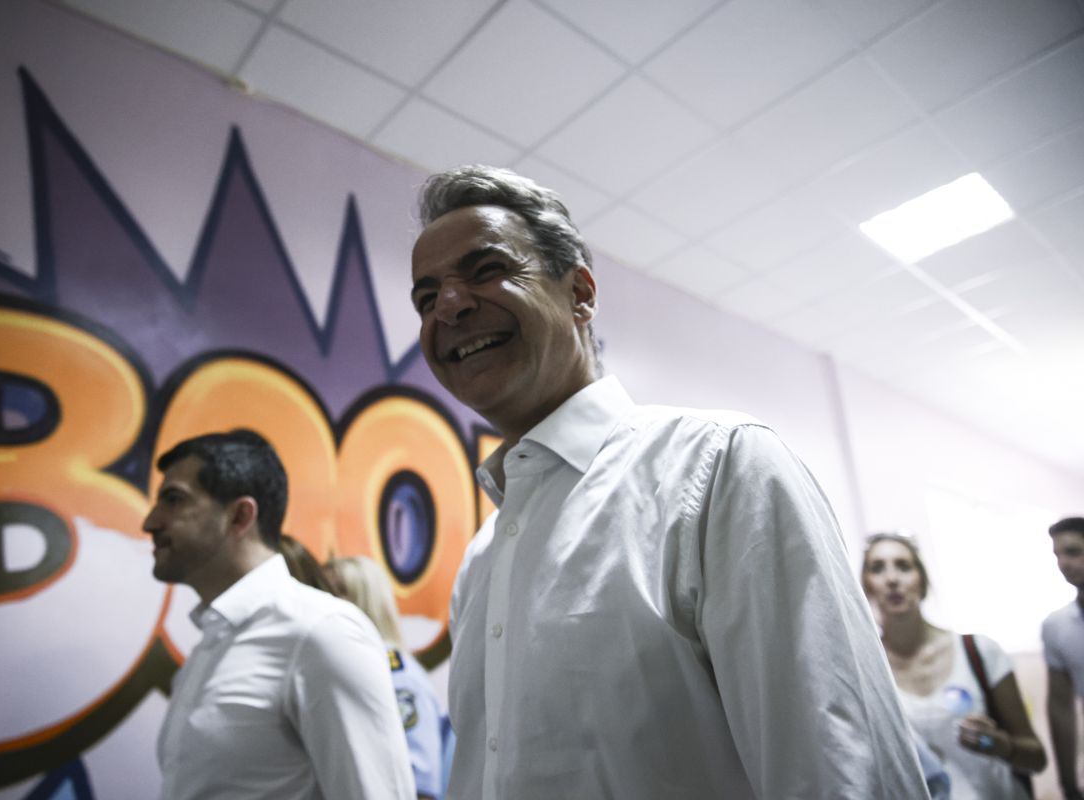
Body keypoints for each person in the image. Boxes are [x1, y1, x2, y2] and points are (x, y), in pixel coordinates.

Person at [409, 164, 929, 799]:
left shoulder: (719, 469)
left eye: (487, 269)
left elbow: (843, 771)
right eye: (426, 298)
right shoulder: (482, 562)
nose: (450, 306)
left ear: (580, 293)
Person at [142, 429, 414, 799]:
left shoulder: (321, 631)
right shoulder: (213, 642)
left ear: (240, 516)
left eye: (174, 500)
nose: (151, 522)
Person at [862, 532, 1046, 799]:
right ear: (866, 586)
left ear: (923, 581)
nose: (892, 579)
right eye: (877, 568)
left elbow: (1037, 758)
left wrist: (1002, 746)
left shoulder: (979, 651)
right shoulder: (867, 670)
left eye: (903, 566)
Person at [327, 555, 452, 800]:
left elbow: (420, 783)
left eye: (335, 593)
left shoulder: (397, 676)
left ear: (364, 600)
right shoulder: (358, 668)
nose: (325, 603)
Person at [1042, 516, 1084, 800]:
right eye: (1057, 555)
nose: (1063, 564)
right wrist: (1068, 783)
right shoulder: (1056, 626)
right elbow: (1060, 706)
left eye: (1073, 552)